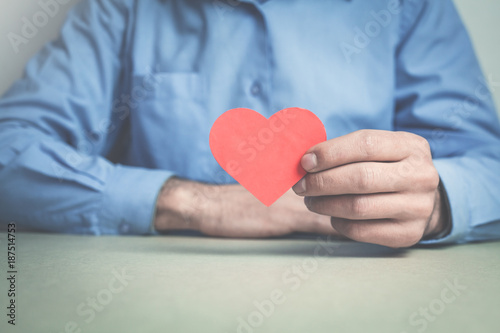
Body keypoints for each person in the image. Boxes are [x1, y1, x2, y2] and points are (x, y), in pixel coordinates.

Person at [0, 0, 499, 248]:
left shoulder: (409, 7)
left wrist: (434, 206)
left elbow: (489, 167)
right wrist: (194, 202)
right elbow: (9, 151)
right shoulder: (124, 8)